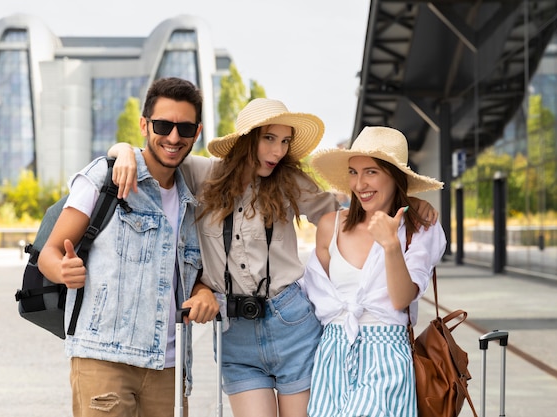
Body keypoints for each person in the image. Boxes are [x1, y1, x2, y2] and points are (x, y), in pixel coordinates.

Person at [108, 99, 439, 417]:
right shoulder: (202, 174)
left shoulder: (290, 180)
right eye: (269, 138)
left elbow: (348, 214)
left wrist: (405, 200)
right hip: (234, 330)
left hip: (290, 321)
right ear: (246, 140)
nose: (278, 151)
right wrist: (123, 151)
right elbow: (148, 159)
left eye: (284, 141)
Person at [38, 77, 219, 417]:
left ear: (197, 133)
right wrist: (63, 271)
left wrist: (204, 291)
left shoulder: (193, 201)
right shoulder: (105, 178)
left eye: (185, 128)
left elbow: (180, 269)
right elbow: (50, 253)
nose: (174, 137)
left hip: (169, 367)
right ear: (144, 124)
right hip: (104, 360)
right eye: (164, 125)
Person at [302, 126, 446, 417]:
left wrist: (391, 245)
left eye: (371, 172)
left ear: (394, 175)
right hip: (332, 352)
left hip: (387, 355)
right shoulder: (330, 225)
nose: (359, 184)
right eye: (353, 172)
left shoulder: (420, 228)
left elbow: (401, 299)